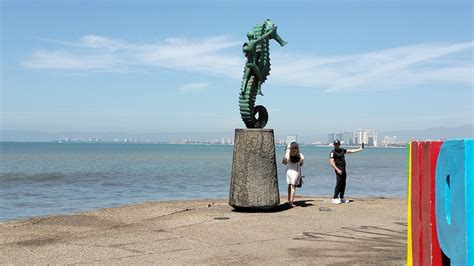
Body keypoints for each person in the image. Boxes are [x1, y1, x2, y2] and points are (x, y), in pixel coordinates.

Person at [329, 139, 364, 204]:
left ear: (339, 145)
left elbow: (350, 151)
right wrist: (337, 169)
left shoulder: (342, 150)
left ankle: (341, 198)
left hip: (343, 170)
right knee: (339, 184)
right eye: (335, 145)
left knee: (343, 184)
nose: (336, 146)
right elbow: (331, 162)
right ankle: (334, 198)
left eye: (337, 144)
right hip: (338, 170)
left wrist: (360, 149)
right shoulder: (332, 152)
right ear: (333, 145)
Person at [282, 142, 304, 208]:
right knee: (293, 187)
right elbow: (301, 164)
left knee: (289, 185)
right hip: (295, 173)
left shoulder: (287, 155)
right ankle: (291, 202)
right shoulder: (301, 156)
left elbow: (284, 163)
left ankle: (289, 200)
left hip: (288, 171)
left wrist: (286, 151)